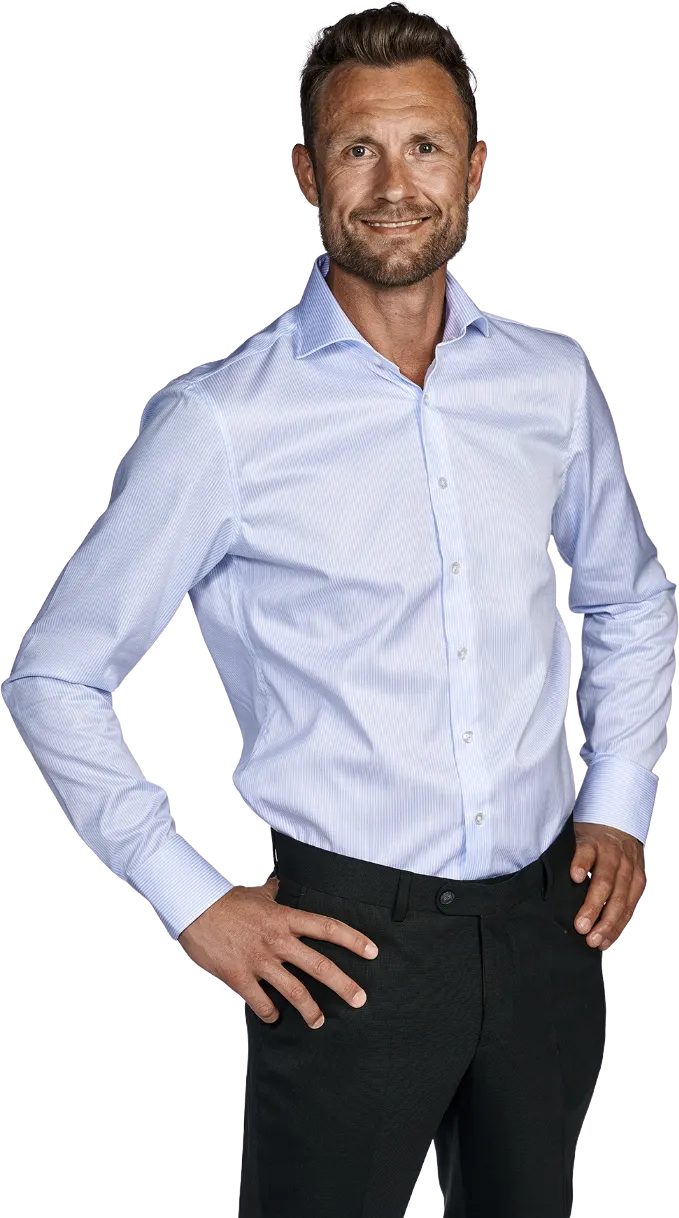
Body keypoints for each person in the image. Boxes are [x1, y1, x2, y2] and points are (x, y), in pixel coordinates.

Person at [2, 6, 676, 1217]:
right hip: (345, 948)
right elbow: (56, 676)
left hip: (548, 927)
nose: (394, 185)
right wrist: (193, 901)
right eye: (358, 149)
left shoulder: (552, 380)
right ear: (307, 174)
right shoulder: (222, 422)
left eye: (426, 147)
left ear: (474, 170)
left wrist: (620, 803)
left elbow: (628, 597)